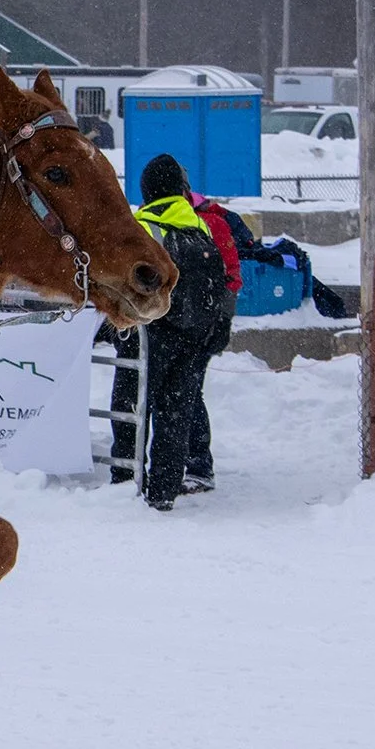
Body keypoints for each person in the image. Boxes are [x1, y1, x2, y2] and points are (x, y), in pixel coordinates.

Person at [110, 157, 229, 511]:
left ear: (146, 190)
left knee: (131, 404)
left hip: (149, 333)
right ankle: (164, 490)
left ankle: (124, 482)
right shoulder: (199, 225)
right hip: (192, 336)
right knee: (176, 410)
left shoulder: (142, 227)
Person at [185, 187, 255, 491]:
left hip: (197, 324)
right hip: (190, 322)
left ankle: (197, 465)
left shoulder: (211, 223)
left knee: (186, 394)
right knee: (185, 395)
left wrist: (221, 322)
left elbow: (230, 275)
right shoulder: (208, 220)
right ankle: (187, 464)